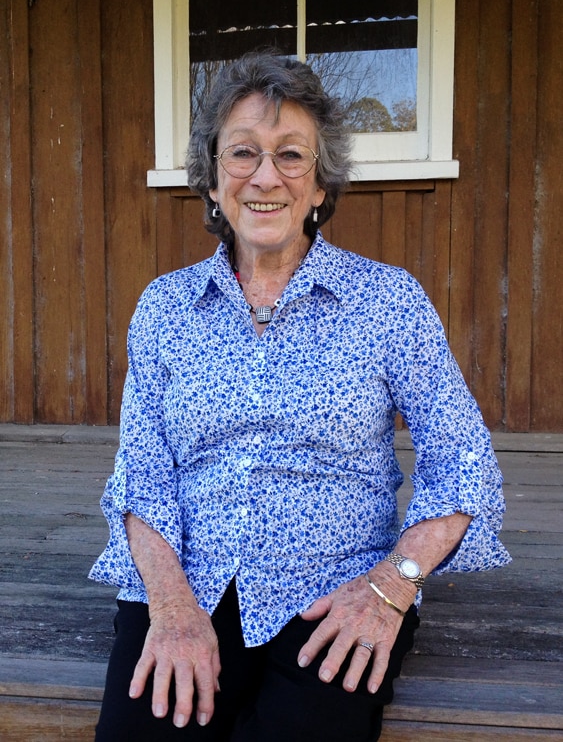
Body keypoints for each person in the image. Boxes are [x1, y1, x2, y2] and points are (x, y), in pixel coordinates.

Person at [90, 51, 511, 742]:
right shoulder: (164, 308)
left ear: (319, 185)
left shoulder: (386, 300)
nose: (265, 176)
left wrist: (391, 585)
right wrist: (169, 607)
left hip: (339, 591)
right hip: (188, 582)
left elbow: (462, 460)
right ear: (213, 181)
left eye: (290, 155)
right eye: (243, 153)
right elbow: (142, 472)